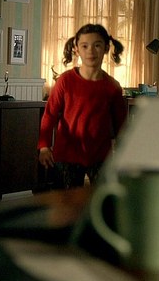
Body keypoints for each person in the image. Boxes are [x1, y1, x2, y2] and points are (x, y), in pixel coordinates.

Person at [37, 24, 128, 189]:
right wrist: (44, 146)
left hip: (101, 156)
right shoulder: (65, 81)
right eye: (85, 46)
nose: (90, 51)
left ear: (106, 48)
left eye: (97, 45)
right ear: (76, 49)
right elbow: (49, 115)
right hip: (67, 155)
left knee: (104, 200)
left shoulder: (113, 86)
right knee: (66, 202)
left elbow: (121, 124)